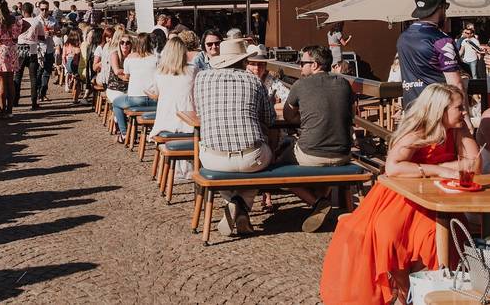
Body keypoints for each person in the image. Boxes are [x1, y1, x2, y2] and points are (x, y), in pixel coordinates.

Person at [320, 83, 479, 304]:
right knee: (389, 235)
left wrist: (461, 132)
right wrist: (440, 169)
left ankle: (424, 292)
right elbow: (394, 168)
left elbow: (473, 164)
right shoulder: (419, 130)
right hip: (400, 197)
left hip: (439, 199)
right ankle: (405, 294)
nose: (465, 112)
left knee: (433, 238)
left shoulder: (458, 129)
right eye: (460, 108)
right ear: (440, 110)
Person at [194, 38, 275, 236]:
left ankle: (233, 202)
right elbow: (269, 119)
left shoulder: (202, 78)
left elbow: (200, 112)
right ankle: (240, 204)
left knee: (220, 161)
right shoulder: (254, 81)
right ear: (244, 61)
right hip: (250, 156)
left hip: (213, 158)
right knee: (266, 153)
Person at [281, 46, 354, 232]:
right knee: (320, 158)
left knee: (278, 168)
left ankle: (317, 202)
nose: (299, 66)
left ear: (314, 65)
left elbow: (289, 117)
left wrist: (305, 119)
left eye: (302, 62)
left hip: (311, 154)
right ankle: (320, 201)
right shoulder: (344, 83)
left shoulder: (300, 85)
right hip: (343, 155)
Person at [396, 0, 462, 108]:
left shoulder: (403, 38)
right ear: (440, 7)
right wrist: (466, 121)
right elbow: (455, 84)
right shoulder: (441, 40)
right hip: (437, 112)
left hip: (412, 111)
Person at [146, 38, 196, 180]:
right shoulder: (193, 70)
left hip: (164, 123)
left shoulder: (159, 73)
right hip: (188, 124)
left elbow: (154, 94)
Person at [0, 0, 29, 117]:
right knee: (10, 81)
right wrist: (16, 36)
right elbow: (27, 24)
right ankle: (9, 110)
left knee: (0, 83)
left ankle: (2, 110)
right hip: (11, 49)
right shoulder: (13, 19)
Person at [112, 33, 158, 143]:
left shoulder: (130, 58)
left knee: (116, 103)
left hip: (135, 98)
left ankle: (124, 133)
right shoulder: (156, 58)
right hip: (154, 98)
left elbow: (127, 76)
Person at [13, 2, 44, 110]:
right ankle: (34, 102)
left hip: (20, 50)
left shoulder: (18, 22)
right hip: (32, 50)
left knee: (17, 77)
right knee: (33, 78)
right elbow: (42, 37)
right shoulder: (37, 21)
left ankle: (15, 101)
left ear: (23, 11)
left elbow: (14, 36)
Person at [35, 0, 58, 103]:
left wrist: (55, 32)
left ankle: (43, 93)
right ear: (39, 9)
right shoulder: (36, 20)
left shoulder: (53, 20)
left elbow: (58, 31)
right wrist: (43, 35)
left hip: (49, 49)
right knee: (39, 72)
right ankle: (38, 93)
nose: (44, 11)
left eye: (46, 9)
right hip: (39, 49)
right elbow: (32, 36)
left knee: (47, 73)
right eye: (42, 9)